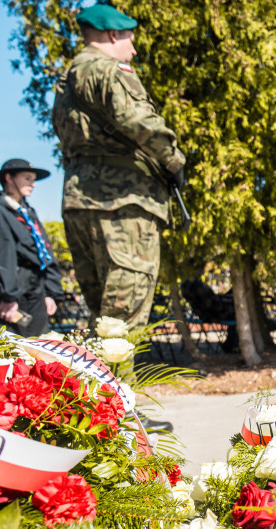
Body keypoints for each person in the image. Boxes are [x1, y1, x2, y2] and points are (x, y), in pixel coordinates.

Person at [51, 4, 186, 332]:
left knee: (102, 321)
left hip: (79, 203)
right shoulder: (110, 70)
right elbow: (137, 119)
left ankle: (96, 370)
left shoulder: (66, 81)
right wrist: (174, 161)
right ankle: (115, 370)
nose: (134, 50)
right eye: (130, 40)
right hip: (123, 204)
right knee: (121, 326)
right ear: (113, 35)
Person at [0, 159, 63, 336]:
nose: (33, 184)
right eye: (27, 178)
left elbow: (44, 251)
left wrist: (51, 292)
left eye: (33, 180)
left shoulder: (28, 212)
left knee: (39, 343)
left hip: (36, 289)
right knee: (10, 345)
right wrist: (8, 295)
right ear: (9, 178)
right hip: (9, 291)